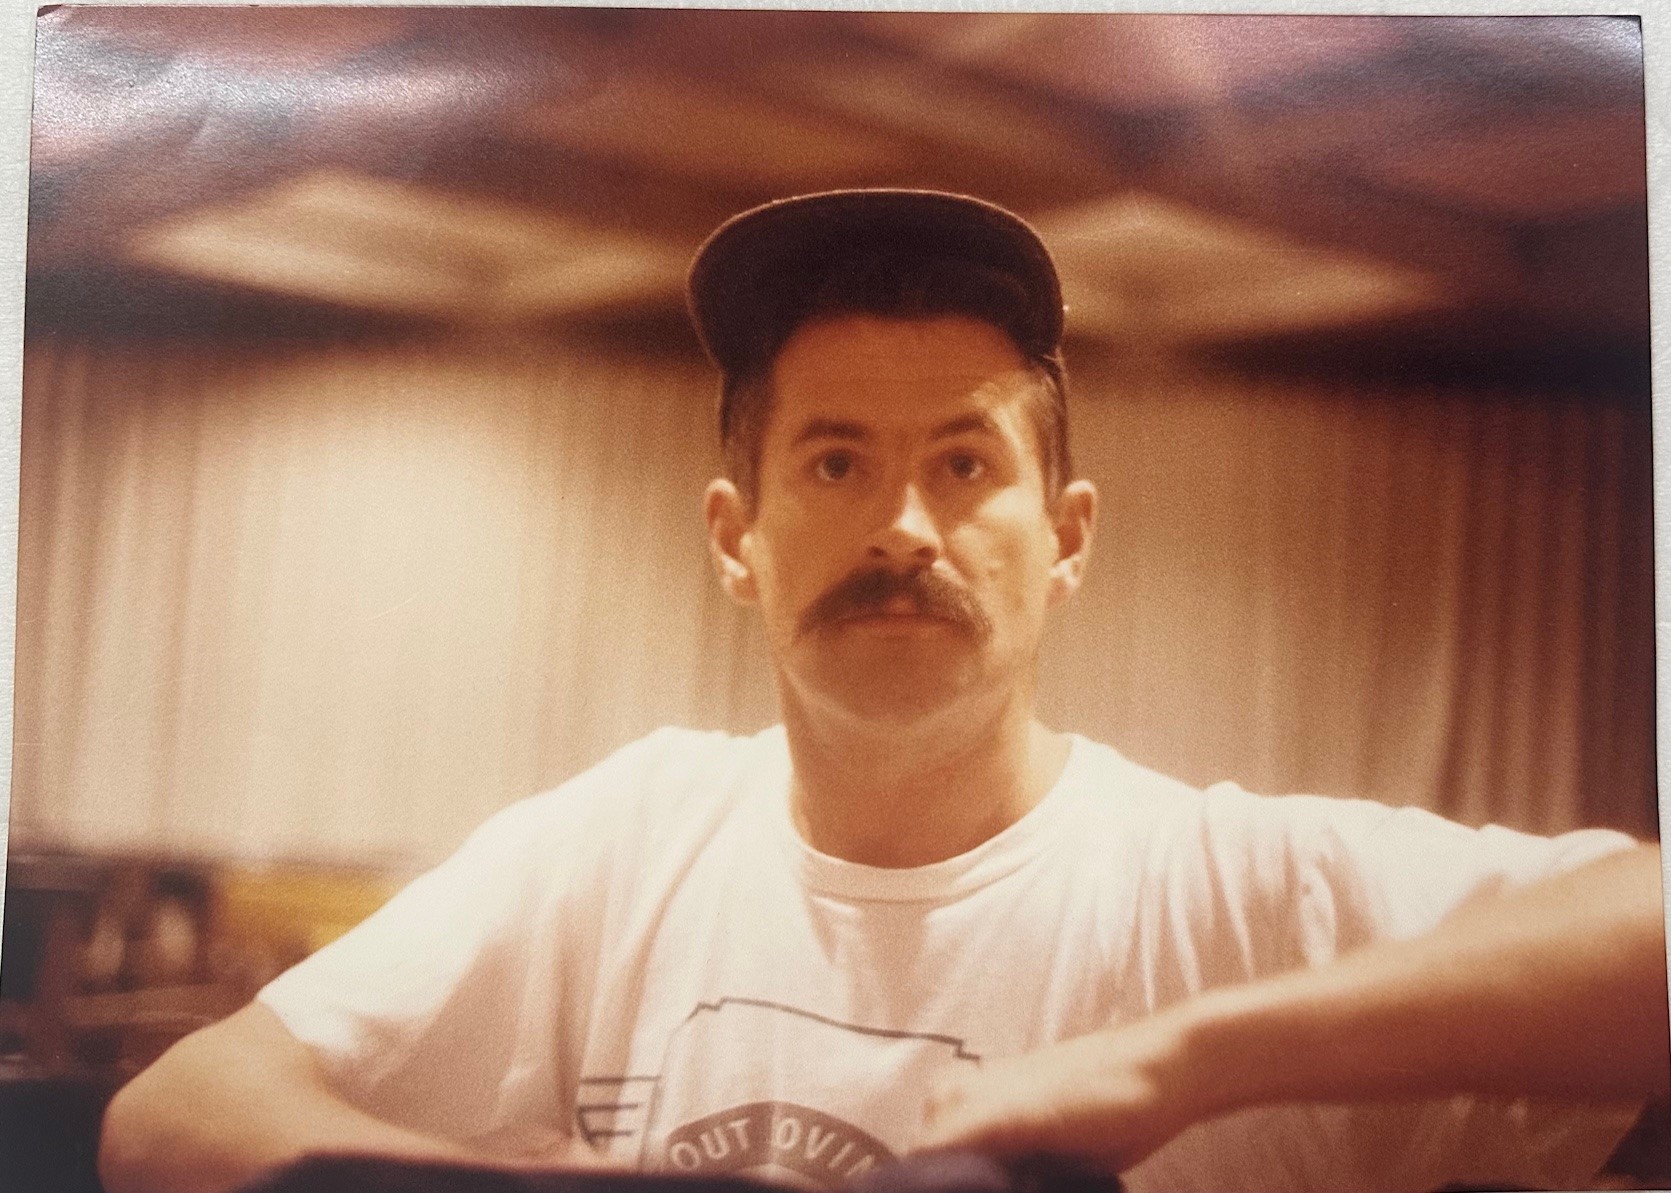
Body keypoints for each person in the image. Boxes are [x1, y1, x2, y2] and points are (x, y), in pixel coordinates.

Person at [98, 190, 1669, 1193]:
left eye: (964, 462)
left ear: (1065, 538)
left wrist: (1174, 1063)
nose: (902, 524)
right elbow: (168, 1120)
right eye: (835, 459)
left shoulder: (1221, 879)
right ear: (739, 539)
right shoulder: (623, 841)